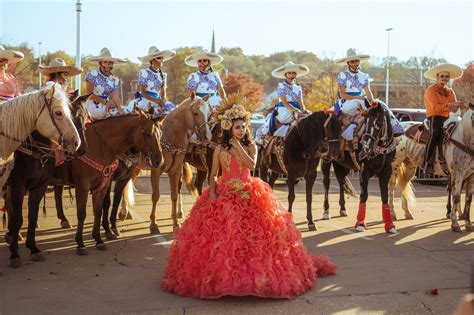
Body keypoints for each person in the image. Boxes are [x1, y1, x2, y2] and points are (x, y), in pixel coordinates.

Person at [161, 103, 336, 299]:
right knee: (223, 237)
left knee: (257, 238)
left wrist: (238, 147)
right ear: (229, 128)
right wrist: (212, 192)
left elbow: (251, 165)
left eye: (244, 127)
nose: (242, 130)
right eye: (237, 127)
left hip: (248, 190)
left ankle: (257, 277)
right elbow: (212, 174)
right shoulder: (219, 149)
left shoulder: (251, 146)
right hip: (225, 191)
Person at [422, 63, 463, 174]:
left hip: (449, 117)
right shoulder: (431, 90)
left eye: (447, 76)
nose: (445, 78)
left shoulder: (450, 91)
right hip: (435, 117)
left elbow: (454, 108)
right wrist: (450, 105)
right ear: (437, 77)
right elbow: (435, 108)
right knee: (435, 133)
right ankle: (427, 163)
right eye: (442, 76)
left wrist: (456, 107)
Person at [128, 46, 176, 116]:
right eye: (159, 58)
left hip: (158, 100)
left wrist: (162, 101)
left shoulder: (164, 75)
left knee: (174, 110)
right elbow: (143, 92)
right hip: (145, 100)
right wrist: (155, 100)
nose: (162, 60)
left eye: (162, 58)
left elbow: (163, 93)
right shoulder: (144, 72)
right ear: (152, 60)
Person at [270, 61, 309, 137]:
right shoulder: (281, 86)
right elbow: (285, 103)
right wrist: (296, 111)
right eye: (289, 73)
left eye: (293, 73)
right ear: (285, 75)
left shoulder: (298, 88)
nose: (291, 75)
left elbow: (301, 103)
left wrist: (304, 111)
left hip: (297, 111)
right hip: (284, 111)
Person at [84, 47, 125, 119]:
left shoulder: (114, 79)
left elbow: (115, 96)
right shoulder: (92, 74)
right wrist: (105, 102)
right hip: (91, 108)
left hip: (106, 109)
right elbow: (88, 94)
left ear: (112, 64)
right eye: (105, 62)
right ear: (100, 63)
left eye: (110, 63)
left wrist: (120, 110)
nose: (107, 65)